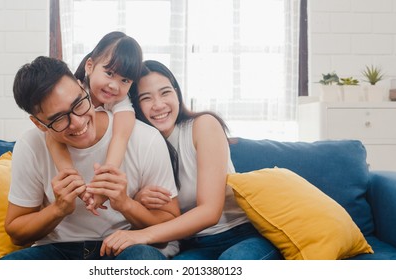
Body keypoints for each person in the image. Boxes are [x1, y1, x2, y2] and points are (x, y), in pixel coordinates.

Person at [99, 60, 282, 260]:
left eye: (165, 92)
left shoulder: (203, 126)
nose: (159, 105)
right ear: (136, 106)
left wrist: (141, 235)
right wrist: (140, 202)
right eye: (146, 98)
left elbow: (210, 212)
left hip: (240, 234)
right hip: (193, 245)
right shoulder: (142, 145)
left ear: (177, 94)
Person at [1, 56, 180, 260]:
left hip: (124, 247)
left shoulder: (145, 138)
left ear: (82, 87)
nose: (78, 123)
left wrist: (124, 203)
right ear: (40, 124)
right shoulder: (30, 145)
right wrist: (58, 209)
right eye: (59, 119)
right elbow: (16, 233)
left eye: (78, 103)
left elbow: (169, 227)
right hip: (58, 251)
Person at [45, 31, 139, 215]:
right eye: (109, 73)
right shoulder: (75, 90)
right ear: (89, 66)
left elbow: (121, 136)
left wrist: (106, 182)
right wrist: (76, 186)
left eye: (125, 80)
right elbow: (52, 136)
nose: (114, 85)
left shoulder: (121, 102)